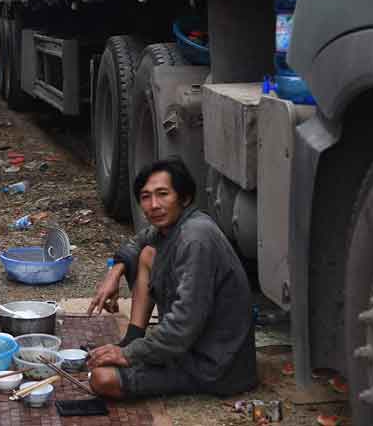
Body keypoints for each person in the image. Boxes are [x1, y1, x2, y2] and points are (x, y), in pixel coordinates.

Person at [86, 158, 257, 400]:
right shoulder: (173, 226)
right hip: (190, 348)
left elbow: (182, 326)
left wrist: (129, 355)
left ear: (184, 198)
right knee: (147, 254)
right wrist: (114, 272)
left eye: (162, 194)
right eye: (145, 197)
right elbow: (139, 242)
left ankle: (132, 348)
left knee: (102, 379)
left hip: (213, 366)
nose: (153, 205)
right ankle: (132, 338)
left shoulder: (195, 237)